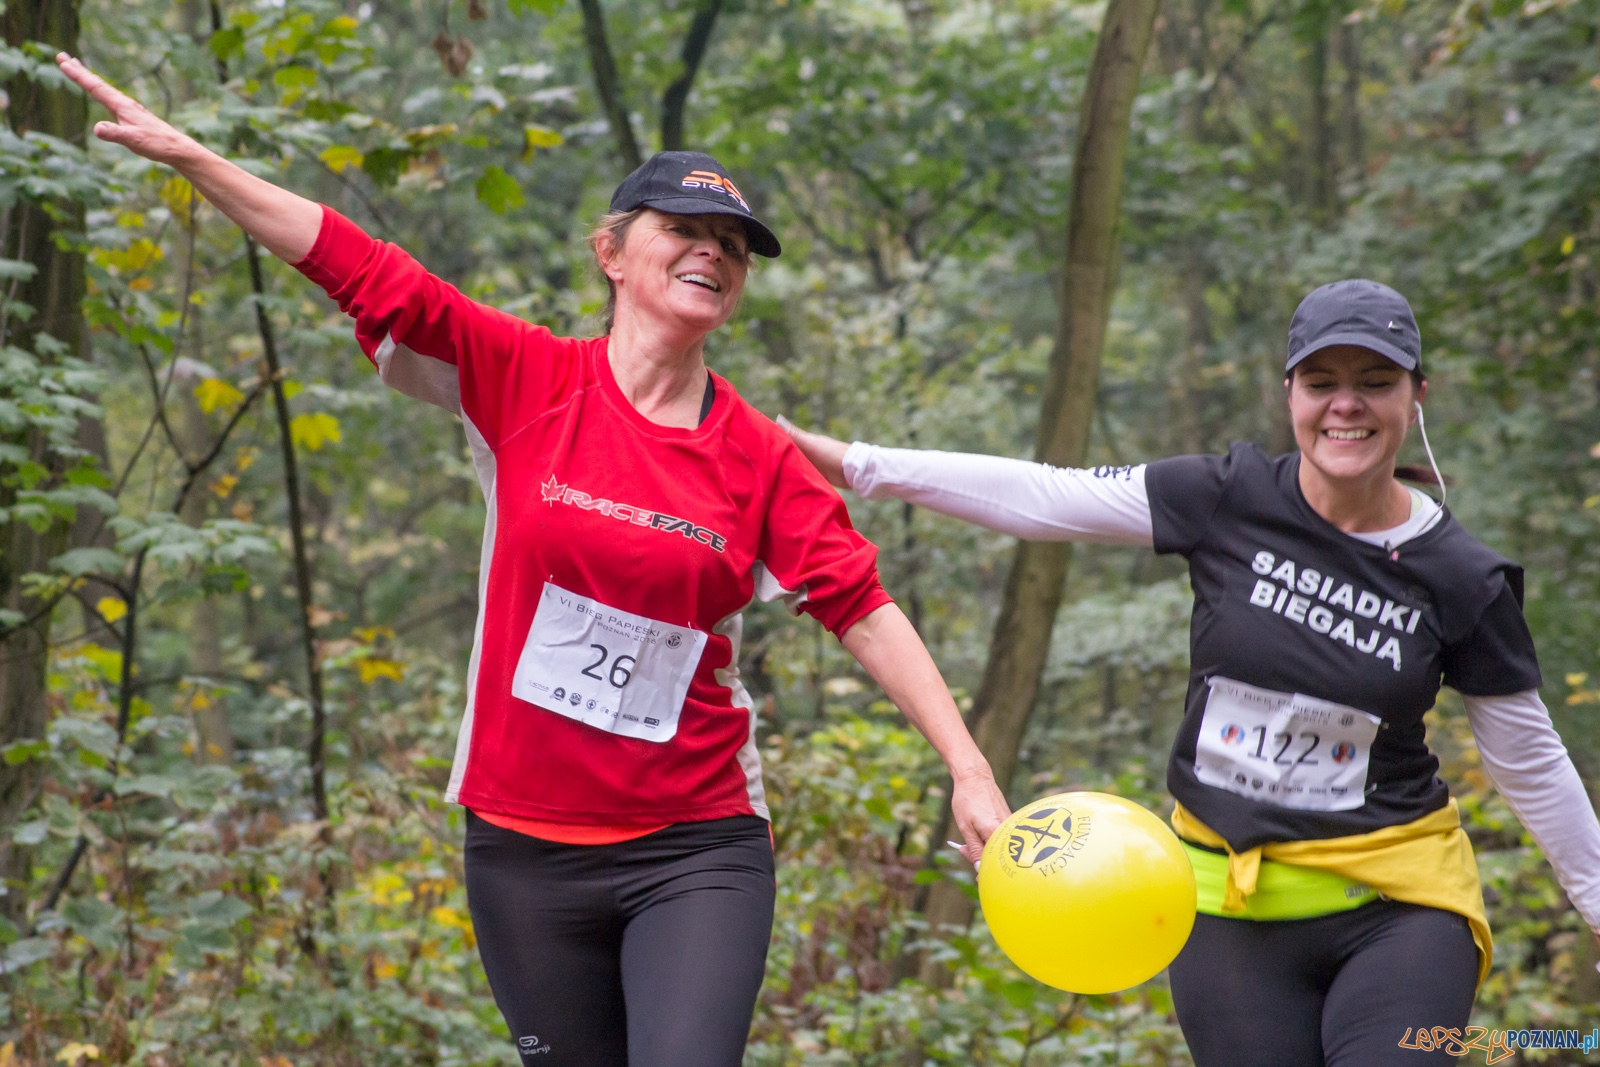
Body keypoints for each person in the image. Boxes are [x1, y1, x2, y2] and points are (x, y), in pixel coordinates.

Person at [52, 53, 1011, 1067]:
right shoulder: (528, 379)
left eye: (732, 244)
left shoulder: (757, 454)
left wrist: (968, 762)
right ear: (611, 251)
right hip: (524, 849)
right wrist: (198, 160)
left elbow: (860, 604)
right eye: (685, 230)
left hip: (697, 842)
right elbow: (365, 268)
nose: (712, 254)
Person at [783, 279, 1600, 1066]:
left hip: (1401, 906)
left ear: (1415, 395)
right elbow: (1043, 496)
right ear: (1291, 393)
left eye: (1374, 382)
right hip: (1224, 909)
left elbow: (1528, 760)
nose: (1345, 404)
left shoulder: (1461, 575)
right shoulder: (1229, 496)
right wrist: (854, 464)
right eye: (1322, 382)